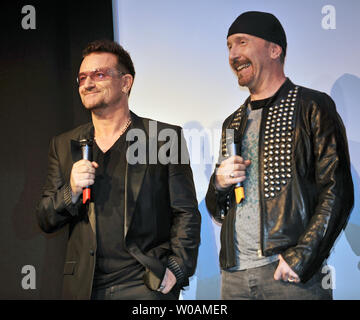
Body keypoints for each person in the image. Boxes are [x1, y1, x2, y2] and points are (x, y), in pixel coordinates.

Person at [36, 39, 201, 300]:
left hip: (144, 284)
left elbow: (186, 213)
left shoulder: (164, 137)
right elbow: (45, 217)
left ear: (126, 83)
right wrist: (72, 191)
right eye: (82, 78)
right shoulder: (64, 145)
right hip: (86, 288)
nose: (88, 84)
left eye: (99, 74)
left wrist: (178, 269)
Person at [205, 11, 354, 300]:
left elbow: (337, 191)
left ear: (275, 50)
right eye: (229, 47)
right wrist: (218, 184)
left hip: (287, 275)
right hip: (234, 277)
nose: (233, 54)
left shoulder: (312, 106)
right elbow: (218, 209)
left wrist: (301, 258)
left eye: (242, 42)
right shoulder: (232, 123)